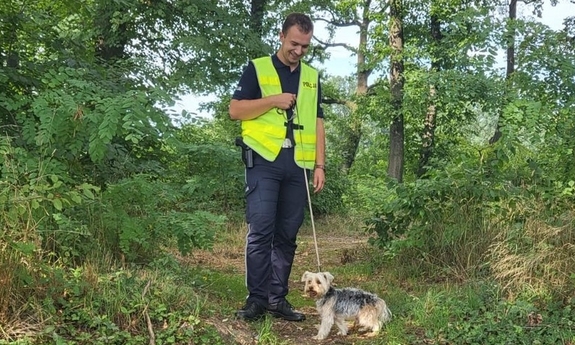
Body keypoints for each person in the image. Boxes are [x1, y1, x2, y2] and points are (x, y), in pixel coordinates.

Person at [229, 12, 326, 322]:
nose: (298, 51)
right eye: (294, 43)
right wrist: (273, 100)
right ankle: (256, 300)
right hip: (263, 161)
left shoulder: (311, 77)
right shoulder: (257, 68)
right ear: (282, 35)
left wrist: (320, 165)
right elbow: (235, 110)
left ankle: (277, 298)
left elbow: (319, 122)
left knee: (287, 234)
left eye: (306, 47)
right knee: (261, 232)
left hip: (297, 164)